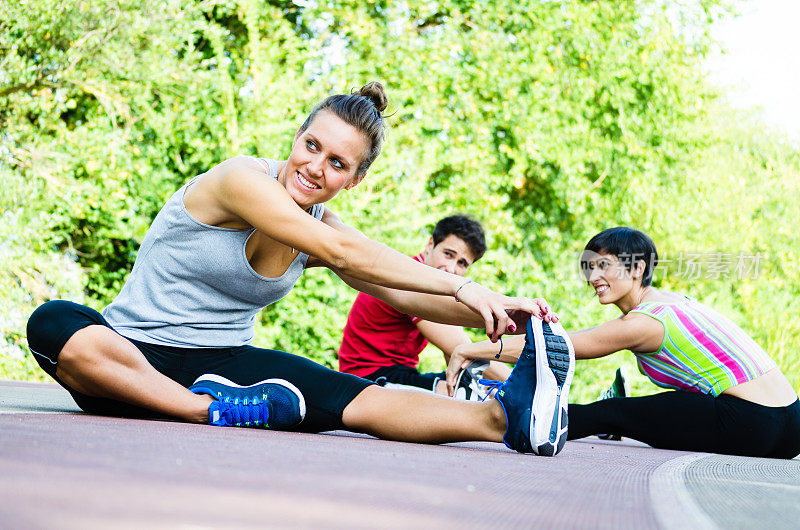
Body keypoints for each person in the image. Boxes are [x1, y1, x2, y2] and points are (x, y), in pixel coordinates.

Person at [25, 82, 568, 455]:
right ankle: (201, 411)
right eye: (312, 146)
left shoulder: (320, 219)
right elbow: (346, 254)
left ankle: (506, 421)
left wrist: (501, 312)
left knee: (357, 400)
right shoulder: (240, 180)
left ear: (353, 180)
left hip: (224, 364)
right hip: (130, 358)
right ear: (296, 137)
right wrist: (465, 283)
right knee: (53, 323)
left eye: (337, 164)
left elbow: (399, 293)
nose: (315, 166)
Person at [445, 227, 800, 459]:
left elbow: (551, 346)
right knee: (638, 411)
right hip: (790, 425)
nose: (593, 277)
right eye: (589, 268)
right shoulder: (674, 302)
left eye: (603, 266)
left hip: (754, 422)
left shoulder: (646, 322)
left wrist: (469, 350)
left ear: (636, 268)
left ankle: (497, 418)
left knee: (614, 414)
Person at [338, 214, 511, 397]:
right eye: (448, 254)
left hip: (398, 374)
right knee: (478, 397)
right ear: (430, 245)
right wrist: (519, 384)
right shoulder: (413, 280)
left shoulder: (434, 283)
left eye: (461, 263)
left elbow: (455, 353)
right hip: (368, 379)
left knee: (479, 389)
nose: (451, 269)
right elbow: (461, 348)